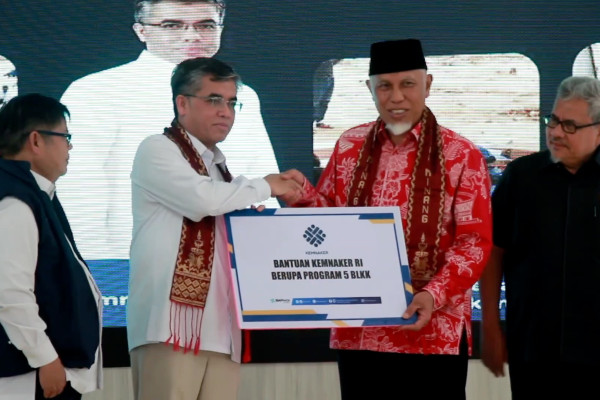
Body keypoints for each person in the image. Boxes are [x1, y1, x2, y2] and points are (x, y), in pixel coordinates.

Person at [279, 39, 493, 400]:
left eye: (407, 84)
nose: (396, 97)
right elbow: (328, 222)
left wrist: (433, 294)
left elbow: (473, 243)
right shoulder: (349, 145)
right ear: (370, 88)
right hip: (360, 330)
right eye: (384, 86)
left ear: (427, 84)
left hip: (432, 331)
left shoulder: (461, 154)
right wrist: (299, 196)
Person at [127, 57, 302, 400]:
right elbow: (202, 200)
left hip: (221, 330)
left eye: (232, 102)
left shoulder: (219, 169)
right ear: (182, 103)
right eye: (214, 100)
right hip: (171, 329)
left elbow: (218, 206)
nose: (226, 112)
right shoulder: (157, 149)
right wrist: (266, 185)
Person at [57, 0, 279, 262]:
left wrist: (268, 253)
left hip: (232, 258)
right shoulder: (96, 91)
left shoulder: (244, 95)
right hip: (132, 262)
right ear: (141, 31)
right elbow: (79, 192)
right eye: (172, 25)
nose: (192, 36)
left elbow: (261, 177)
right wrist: (97, 267)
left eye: (206, 25)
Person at [479, 76, 600, 399]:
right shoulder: (522, 176)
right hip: (533, 351)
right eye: (554, 120)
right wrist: (490, 324)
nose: (556, 132)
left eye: (570, 126)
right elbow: (494, 248)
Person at [0, 94, 102, 400]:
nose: (70, 147)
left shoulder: (33, 193)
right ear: (36, 140)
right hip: (31, 374)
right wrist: (44, 357)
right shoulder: (15, 201)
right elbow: (10, 291)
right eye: (65, 137)